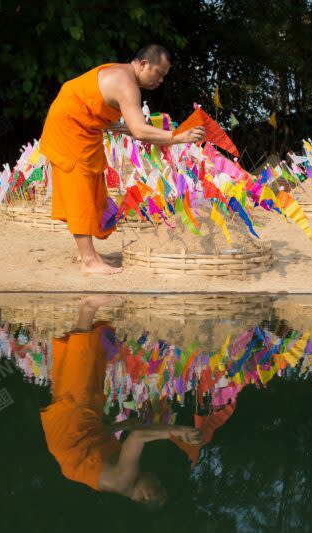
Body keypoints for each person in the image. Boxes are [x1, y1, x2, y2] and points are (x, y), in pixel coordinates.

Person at [39, 45, 206, 275]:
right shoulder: (127, 85)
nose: (160, 80)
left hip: (84, 127)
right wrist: (179, 137)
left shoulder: (122, 74)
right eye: (159, 73)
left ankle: (86, 251)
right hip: (69, 129)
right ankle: (88, 260)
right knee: (79, 187)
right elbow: (139, 130)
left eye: (164, 76)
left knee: (93, 183)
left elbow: (93, 102)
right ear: (143, 64)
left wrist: (117, 126)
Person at [40, 296, 202, 506]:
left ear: (144, 497)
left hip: (73, 430)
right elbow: (123, 432)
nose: (158, 480)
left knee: (82, 367)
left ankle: (87, 307)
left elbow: (136, 438)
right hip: (78, 434)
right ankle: (84, 311)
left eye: (158, 488)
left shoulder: (123, 480)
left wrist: (179, 430)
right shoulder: (122, 479)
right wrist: (122, 426)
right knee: (87, 368)